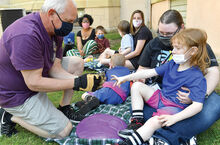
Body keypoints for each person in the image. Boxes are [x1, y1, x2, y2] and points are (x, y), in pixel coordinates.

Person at [0, 0, 103, 139]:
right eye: (68, 21)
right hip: (16, 93)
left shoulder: (55, 30)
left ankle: (64, 107)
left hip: (33, 76)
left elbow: (55, 69)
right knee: (63, 131)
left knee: (78, 63)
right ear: (51, 14)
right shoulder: (26, 34)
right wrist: (77, 83)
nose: (71, 26)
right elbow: (34, 83)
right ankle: (10, 115)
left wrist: (85, 80)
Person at [135, 10, 220, 145]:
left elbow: (213, 72)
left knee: (215, 105)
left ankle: (165, 137)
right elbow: (143, 69)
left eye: (168, 34)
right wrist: (139, 79)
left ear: (181, 28)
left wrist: (198, 96)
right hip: (162, 94)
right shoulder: (153, 44)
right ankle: (183, 132)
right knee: (138, 105)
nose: (164, 37)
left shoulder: (195, 44)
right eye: (161, 33)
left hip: (192, 93)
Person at [112, 28, 210, 145]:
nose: (173, 51)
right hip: (161, 97)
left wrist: (175, 118)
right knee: (137, 86)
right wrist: (126, 78)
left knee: (153, 123)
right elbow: (149, 72)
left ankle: (127, 143)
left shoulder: (196, 77)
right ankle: (137, 122)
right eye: (173, 47)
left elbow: (197, 106)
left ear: (193, 51)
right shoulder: (172, 63)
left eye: (178, 48)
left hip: (173, 107)